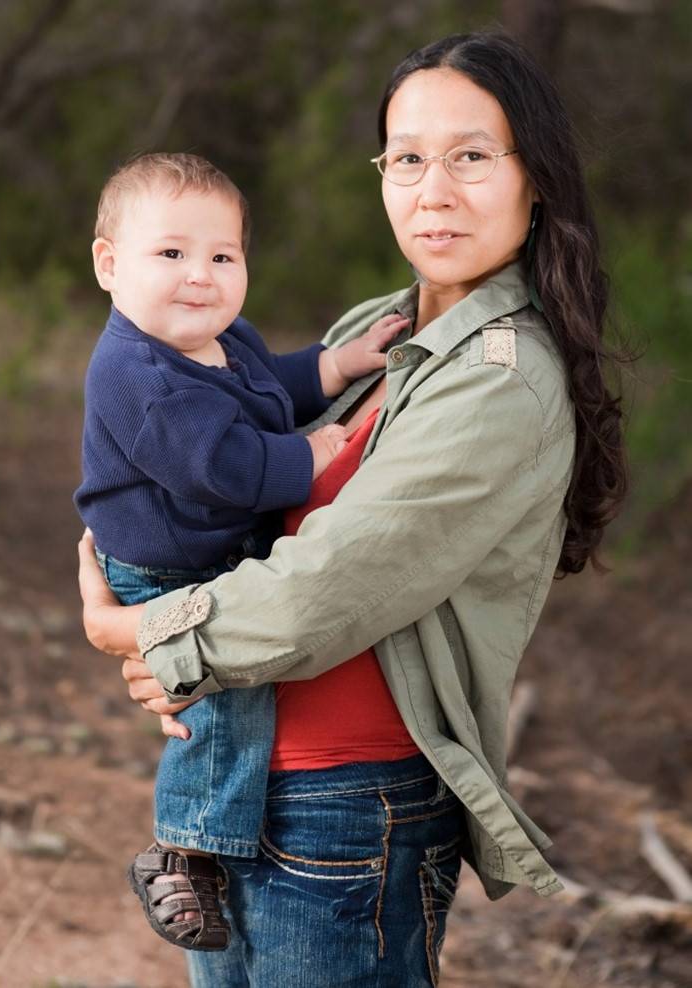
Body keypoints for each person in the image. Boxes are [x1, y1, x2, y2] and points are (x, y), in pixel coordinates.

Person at [78, 32, 627, 988]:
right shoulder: (383, 330)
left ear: (532, 180)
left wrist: (136, 633)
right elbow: (194, 455)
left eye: (470, 156)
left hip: (349, 806)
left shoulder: (500, 381)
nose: (434, 189)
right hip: (251, 789)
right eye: (407, 157)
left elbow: (329, 585)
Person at [73, 151, 408, 951]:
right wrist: (313, 455)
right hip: (167, 565)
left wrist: (336, 364)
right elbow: (219, 467)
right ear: (109, 265)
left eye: (223, 256)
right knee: (223, 697)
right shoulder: (136, 374)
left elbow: (271, 387)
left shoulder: (222, 337)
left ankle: (202, 840)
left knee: (230, 686)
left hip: (205, 551)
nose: (201, 276)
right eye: (172, 253)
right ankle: (183, 850)